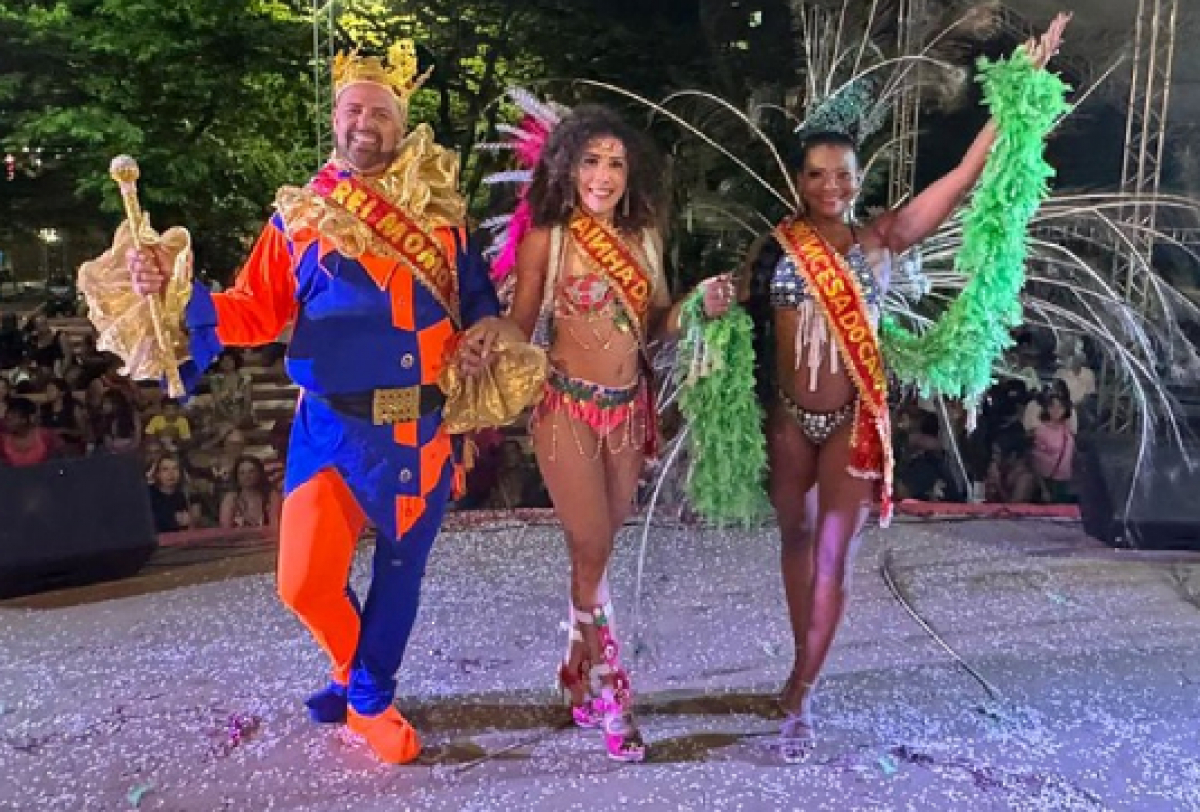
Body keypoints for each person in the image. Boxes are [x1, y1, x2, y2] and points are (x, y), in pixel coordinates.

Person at [125, 41, 500, 764]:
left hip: (415, 427)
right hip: (326, 426)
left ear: (402, 123)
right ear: (334, 119)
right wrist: (173, 291)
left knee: (399, 573)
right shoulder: (300, 216)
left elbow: (482, 304)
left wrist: (486, 329)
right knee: (302, 582)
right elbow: (252, 311)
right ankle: (350, 669)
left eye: (381, 111)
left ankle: (370, 697)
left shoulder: (444, 219)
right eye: (353, 109)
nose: (366, 122)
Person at [721, 16, 1070, 761]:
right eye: (815, 173)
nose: (830, 185)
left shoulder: (883, 241)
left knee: (834, 556)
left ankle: (803, 690)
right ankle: (799, 660)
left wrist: (1019, 92)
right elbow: (722, 324)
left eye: (843, 174)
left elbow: (962, 179)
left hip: (852, 423)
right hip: (788, 423)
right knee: (796, 541)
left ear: (859, 180)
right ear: (797, 180)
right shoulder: (773, 249)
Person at [491, 105, 726, 762]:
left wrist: (696, 305)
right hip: (564, 407)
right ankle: (611, 692)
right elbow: (522, 318)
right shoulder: (550, 236)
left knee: (592, 557)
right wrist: (491, 337)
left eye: (616, 163)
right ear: (568, 167)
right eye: (591, 161)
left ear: (632, 174)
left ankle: (572, 671)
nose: (603, 175)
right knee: (592, 547)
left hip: (628, 410)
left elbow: (655, 323)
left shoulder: (646, 236)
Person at [1031, 392, 1076, 503]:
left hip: (1066, 481)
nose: (1056, 410)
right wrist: (1043, 489)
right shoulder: (1041, 430)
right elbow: (1035, 461)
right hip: (1049, 482)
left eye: (1060, 407)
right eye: (1052, 406)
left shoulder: (1067, 429)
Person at [219, 455, 282, 530]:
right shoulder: (231, 499)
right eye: (242, 473)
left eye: (251, 471)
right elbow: (226, 530)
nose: (247, 476)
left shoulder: (271, 496)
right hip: (238, 541)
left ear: (259, 473)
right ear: (237, 477)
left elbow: (275, 528)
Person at [0, 397, 61, 466]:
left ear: (28, 419)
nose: (7, 422)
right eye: (6, 418)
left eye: (12, 418)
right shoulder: (2, 441)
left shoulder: (45, 436)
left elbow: (60, 464)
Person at [146, 454, 195, 533]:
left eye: (175, 469)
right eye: (165, 469)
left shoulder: (182, 496)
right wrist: (173, 520)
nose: (171, 473)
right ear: (157, 474)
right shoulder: (147, 494)